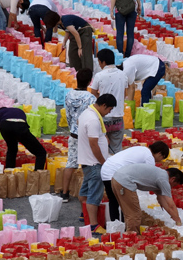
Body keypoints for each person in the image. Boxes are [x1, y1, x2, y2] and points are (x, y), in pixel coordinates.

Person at [100, 141, 170, 222]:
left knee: (113, 201)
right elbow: (150, 179)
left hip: (106, 170)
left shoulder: (142, 149)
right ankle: (125, 227)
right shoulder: (149, 157)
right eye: (162, 158)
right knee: (126, 203)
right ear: (159, 154)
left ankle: (115, 227)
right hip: (115, 173)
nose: (160, 161)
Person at [77, 94, 117, 229]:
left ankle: (84, 214)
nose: (109, 113)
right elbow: (94, 144)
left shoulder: (86, 113)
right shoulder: (94, 119)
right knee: (94, 195)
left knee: (85, 190)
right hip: (94, 163)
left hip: (87, 161)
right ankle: (93, 225)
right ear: (104, 105)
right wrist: (103, 162)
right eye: (109, 109)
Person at [112, 165, 183, 233]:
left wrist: (174, 217)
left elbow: (163, 201)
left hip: (116, 179)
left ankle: (129, 235)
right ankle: (133, 239)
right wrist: (178, 221)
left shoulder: (159, 175)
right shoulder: (164, 180)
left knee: (129, 213)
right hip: (124, 182)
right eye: (174, 185)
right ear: (172, 179)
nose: (171, 187)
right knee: (134, 214)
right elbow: (170, 205)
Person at [61, 68, 96, 203]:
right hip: (86, 135)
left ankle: (64, 193)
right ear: (89, 81)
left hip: (73, 134)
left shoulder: (69, 95)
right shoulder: (91, 98)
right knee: (89, 164)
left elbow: (68, 114)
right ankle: (87, 193)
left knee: (71, 163)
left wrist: (72, 127)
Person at [90, 49, 131, 155]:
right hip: (118, 117)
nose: (99, 64)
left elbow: (93, 92)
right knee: (116, 148)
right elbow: (124, 92)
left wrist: (102, 99)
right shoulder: (123, 75)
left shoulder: (100, 75)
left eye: (99, 62)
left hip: (104, 116)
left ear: (103, 62)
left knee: (103, 147)